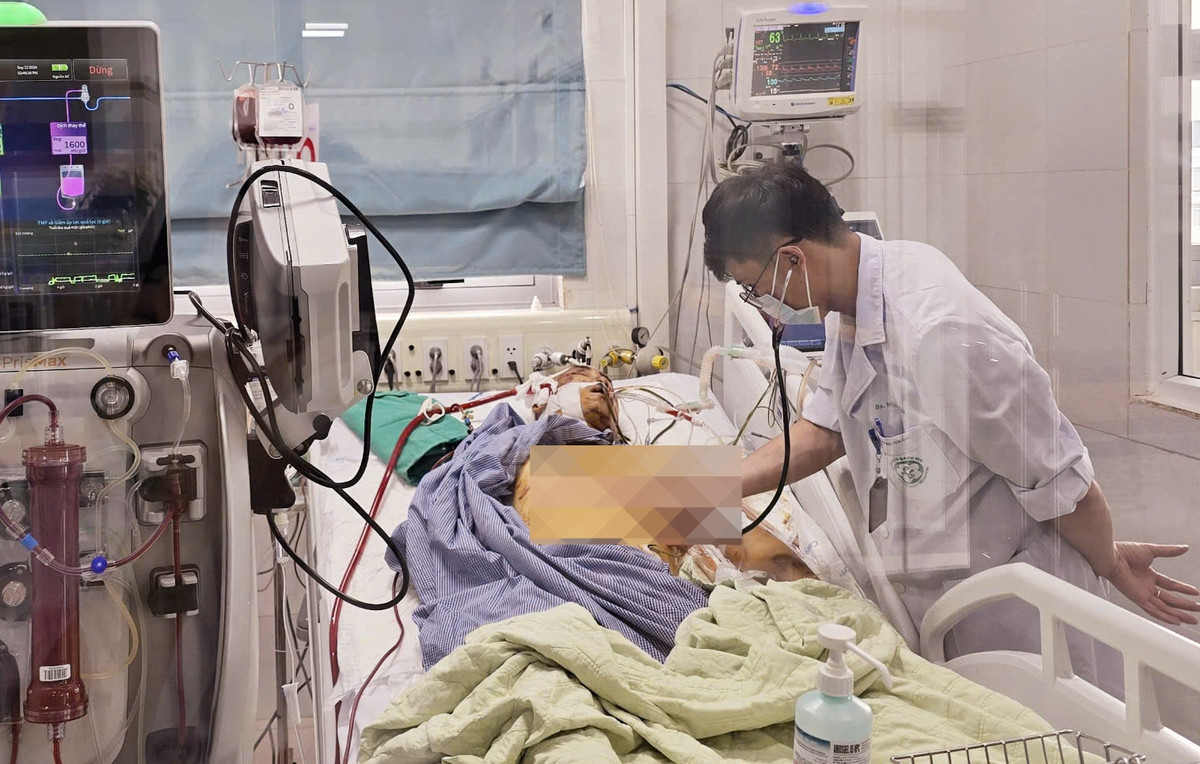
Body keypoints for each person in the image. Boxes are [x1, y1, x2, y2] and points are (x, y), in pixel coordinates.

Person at [701, 164, 1199, 690]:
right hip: (946, 599)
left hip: (1016, 613)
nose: (759, 300)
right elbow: (823, 432)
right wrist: (683, 492)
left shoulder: (941, 334)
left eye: (752, 286)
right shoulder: (849, 297)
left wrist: (1111, 562)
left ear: (792, 260)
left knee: (1057, 726)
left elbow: (1064, 489)